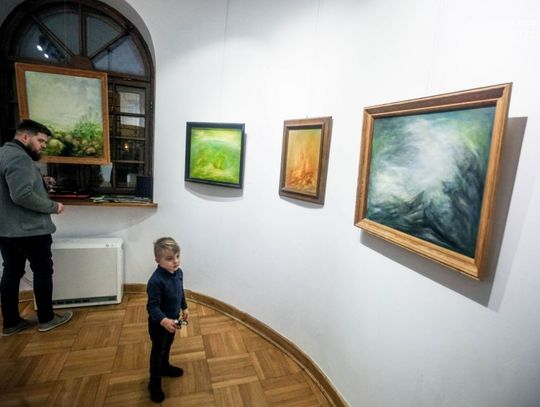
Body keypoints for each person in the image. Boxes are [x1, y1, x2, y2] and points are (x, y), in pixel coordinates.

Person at [0, 119, 73, 336]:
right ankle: (47, 319)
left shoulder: (3, 153)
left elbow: (12, 188)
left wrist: (41, 182)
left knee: (11, 273)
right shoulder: (20, 158)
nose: (42, 146)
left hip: (6, 229)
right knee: (42, 271)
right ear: (25, 137)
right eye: (40, 141)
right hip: (29, 230)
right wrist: (54, 206)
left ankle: (11, 323)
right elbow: (21, 195)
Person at [146, 237, 189, 403]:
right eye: (170, 258)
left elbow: (180, 292)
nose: (175, 261)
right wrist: (163, 320)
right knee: (157, 351)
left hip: (174, 319)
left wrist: (184, 307)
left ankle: (165, 366)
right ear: (158, 260)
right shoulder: (155, 281)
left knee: (168, 344)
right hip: (159, 324)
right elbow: (152, 307)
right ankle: (154, 383)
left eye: (177, 256)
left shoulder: (179, 273)